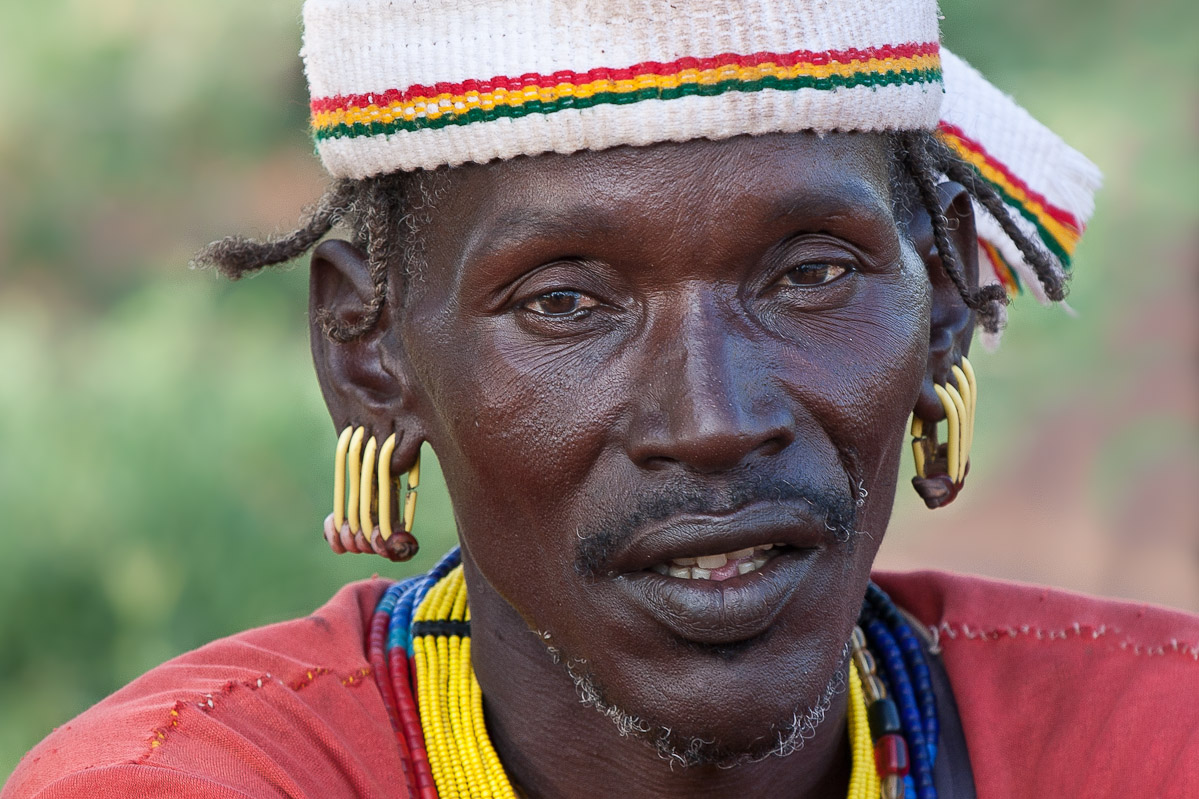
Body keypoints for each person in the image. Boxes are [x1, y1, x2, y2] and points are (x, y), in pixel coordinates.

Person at [5, 1, 1197, 797]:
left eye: (810, 274)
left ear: (940, 300)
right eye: (565, 302)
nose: (713, 420)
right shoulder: (177, 783)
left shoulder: (1155, 740)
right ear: (368, 352)